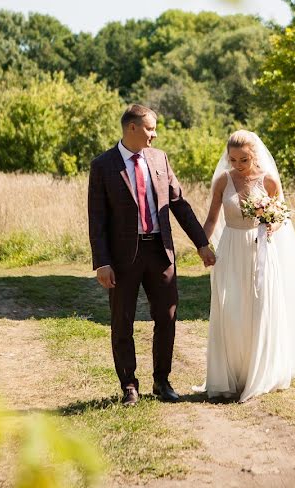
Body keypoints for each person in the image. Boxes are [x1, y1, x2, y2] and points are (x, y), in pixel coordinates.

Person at [88, 104, 217, 406]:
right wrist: (102, 262)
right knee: (122, 321)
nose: (154, 134)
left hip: (160, 251)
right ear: (132, 128)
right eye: (150, 128)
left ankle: (162, 381)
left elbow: (179, 204)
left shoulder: (159, 159)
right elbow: (97, 219)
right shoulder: (103, 165)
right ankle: (129, 385)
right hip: (122, 257)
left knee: (167, 316)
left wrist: (201, 243)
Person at [200, 130, 295, 402]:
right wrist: (202, 245)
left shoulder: (269, 181)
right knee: (231, 309)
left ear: (255, 156)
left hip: (260, 248)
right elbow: (212, 219)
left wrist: (270, 225)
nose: (237, 165)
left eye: (244, 160)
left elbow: (281, 217)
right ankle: (232, 374)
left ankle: (259, 372)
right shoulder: (222, 181)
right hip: (230, 250)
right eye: (233, 159)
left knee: (260, 307)